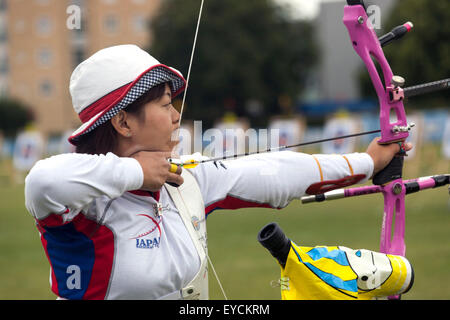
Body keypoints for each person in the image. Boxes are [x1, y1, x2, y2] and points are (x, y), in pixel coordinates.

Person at [24, 44, 412, 300]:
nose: (177, 116)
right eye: (164, 105)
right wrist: (135, 172)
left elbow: (273, 171)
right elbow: (43, 181)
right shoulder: (81, 208)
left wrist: (369, 162)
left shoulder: (183, 180)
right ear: (123, 123)